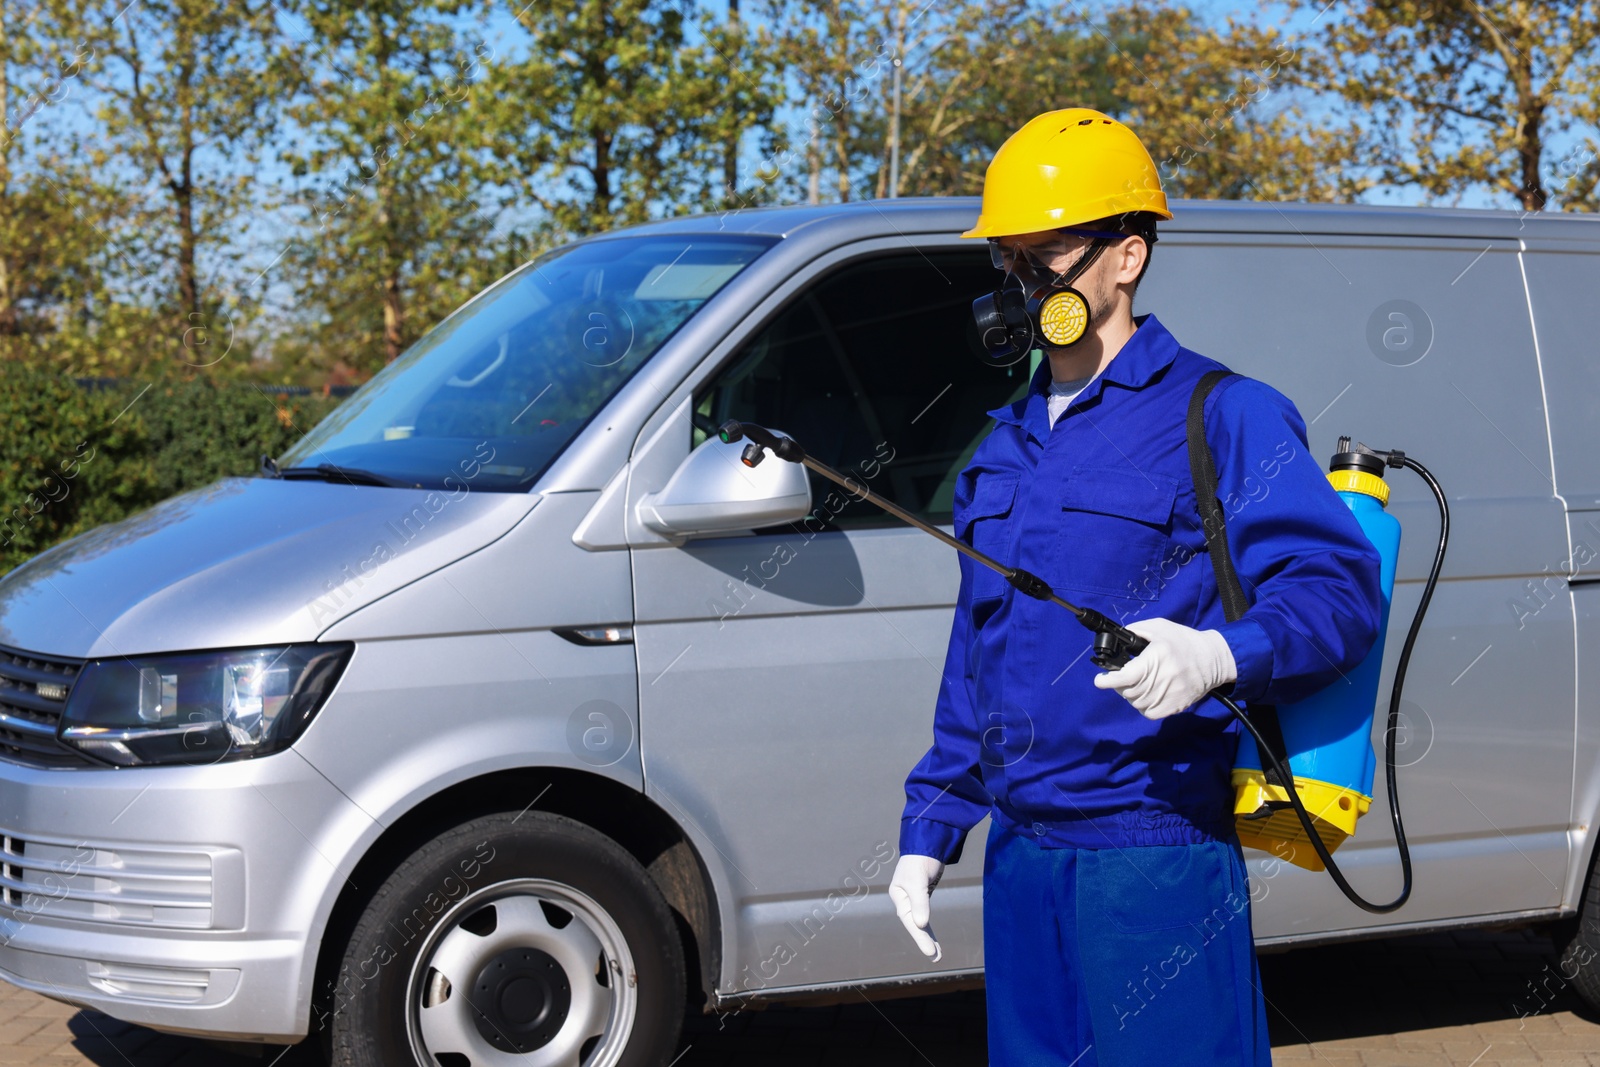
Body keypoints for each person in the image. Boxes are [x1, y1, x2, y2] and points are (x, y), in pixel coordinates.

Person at [886, 107, 1384, 1065]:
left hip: (1151, 857)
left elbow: (1339, 590)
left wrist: (1218, 654)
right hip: (1022, 861)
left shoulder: (1222, 414)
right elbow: (977, 657)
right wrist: (933, 824)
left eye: (1048, 254)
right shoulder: (1006, 444)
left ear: (1125, 256)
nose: (1023, 284)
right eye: (1007, 260)